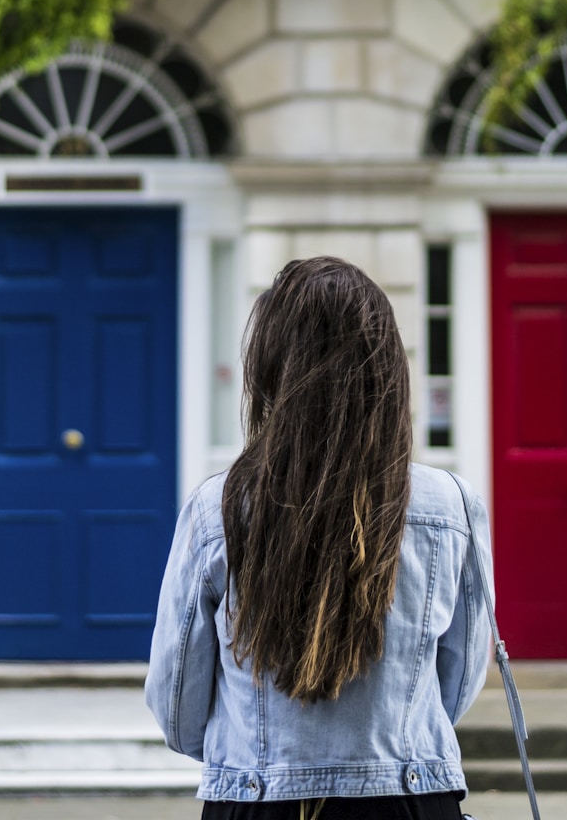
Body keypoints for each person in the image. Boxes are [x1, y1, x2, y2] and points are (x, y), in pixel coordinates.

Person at [145, 256, 494, 820]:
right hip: (410, 799)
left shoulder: (218, 508)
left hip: (261, 802)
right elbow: (452, 688)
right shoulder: (450, 505)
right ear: (387, 370)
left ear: (270, 372)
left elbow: (177, 705)